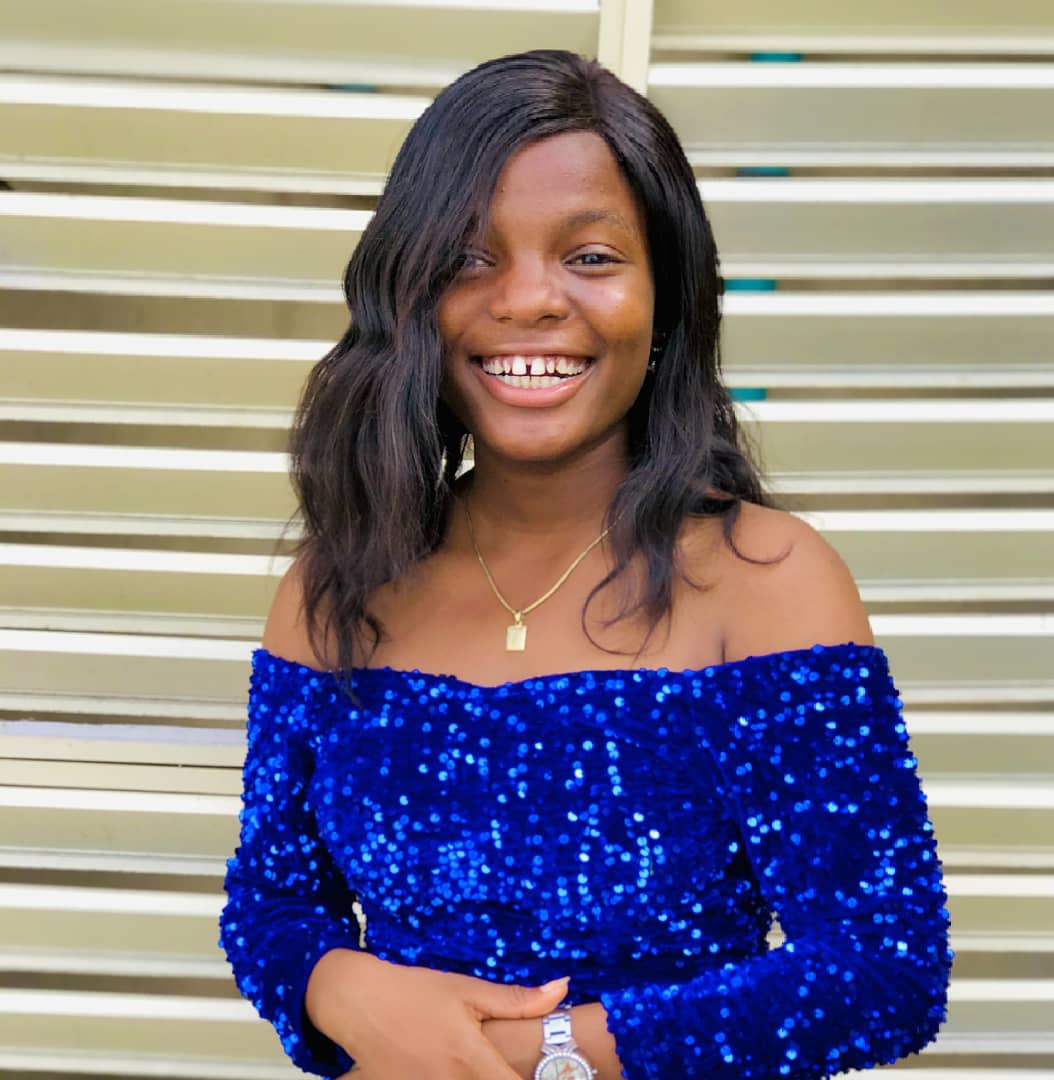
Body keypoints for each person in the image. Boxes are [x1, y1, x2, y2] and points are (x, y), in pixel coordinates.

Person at [219, 48, 953, 1080]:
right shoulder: (339, 583)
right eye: (469, 258)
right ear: (411, 297)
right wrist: (341, 986)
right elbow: (272, 901)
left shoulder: (767, 581)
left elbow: (882, 968)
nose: (529, 300)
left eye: (592, 257)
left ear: (666, 302)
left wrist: (543, 1053)